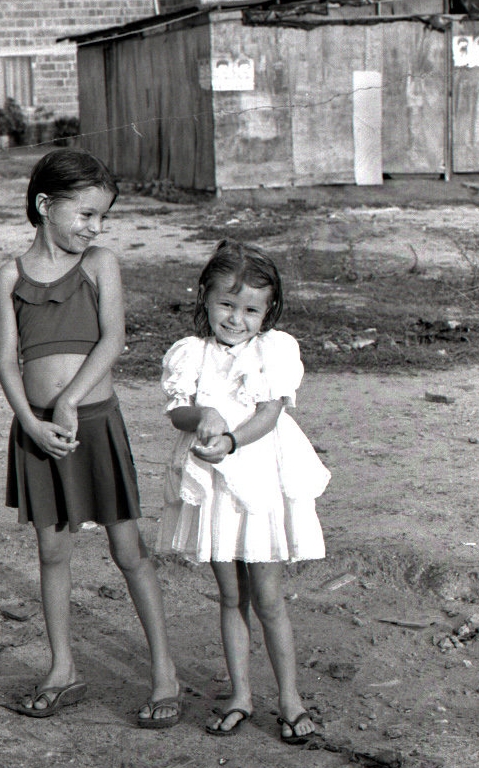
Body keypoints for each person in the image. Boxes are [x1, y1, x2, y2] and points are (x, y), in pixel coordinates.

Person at [0, 149, 181, 727]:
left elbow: (113, 340)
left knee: (129, 550)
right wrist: (30, 422)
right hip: (39, 433)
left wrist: (72, 399)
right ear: (45, 206)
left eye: (103, 217)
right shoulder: (9, 274)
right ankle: (62, 667)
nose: (95, 228)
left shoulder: (101, 264)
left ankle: (165, 673)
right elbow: (5, 360)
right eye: (86, 215)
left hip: (94, 426)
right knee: (52, 551)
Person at [157, 240, 331, 745]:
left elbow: (270, 414)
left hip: (260, 477)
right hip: (214, 484)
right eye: (226, 305)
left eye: (250, 309)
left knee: (270, 599)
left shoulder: (275, 350)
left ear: (267, 311)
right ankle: (239, 694)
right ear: (205, 298)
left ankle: (291, 699)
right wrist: (203, 418)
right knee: (231, 596)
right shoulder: (191, 353)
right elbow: (177, 412)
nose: (236, 319)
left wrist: (230, 439)